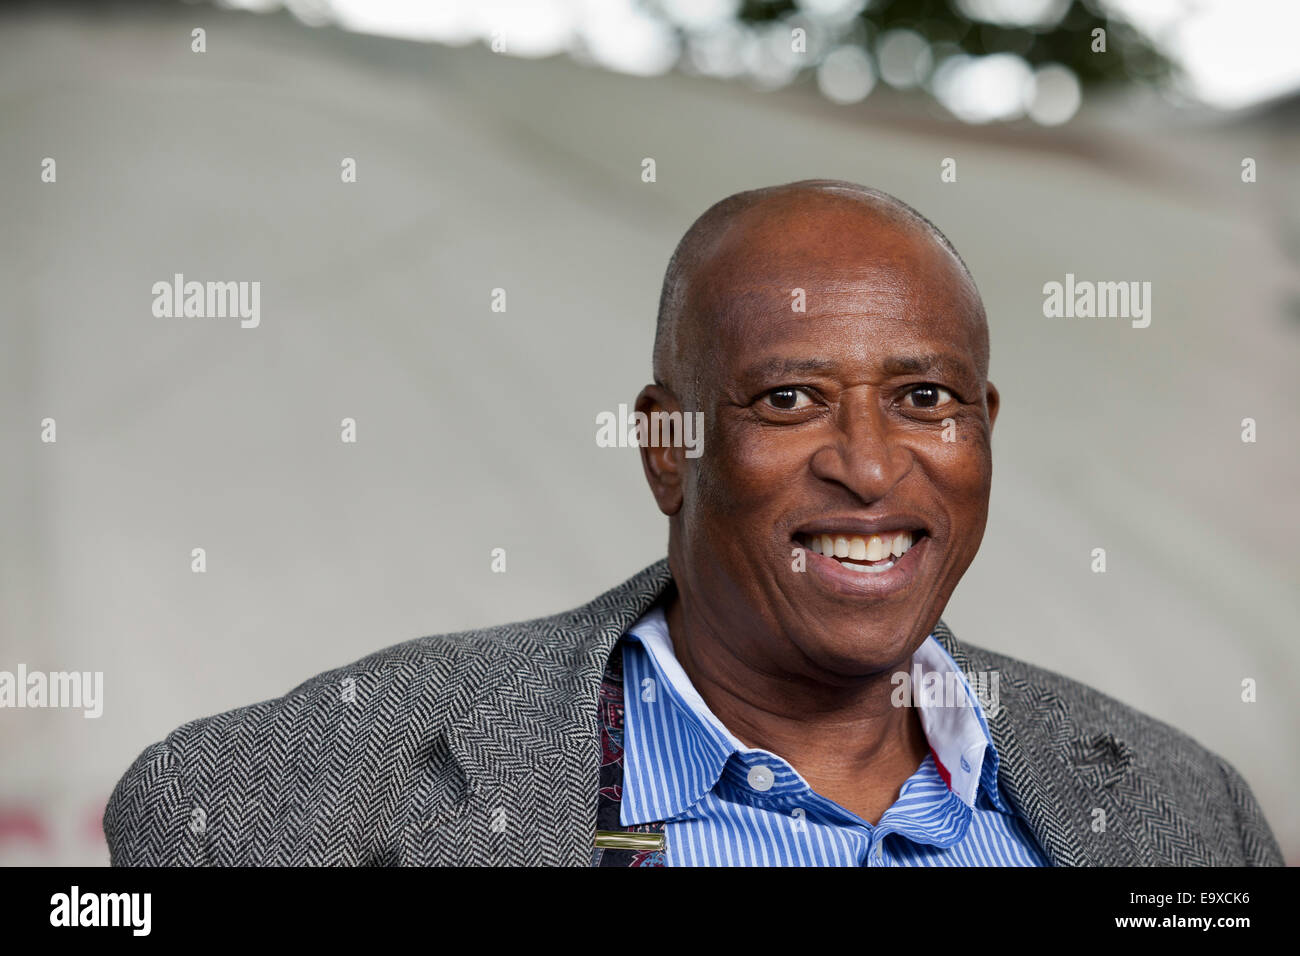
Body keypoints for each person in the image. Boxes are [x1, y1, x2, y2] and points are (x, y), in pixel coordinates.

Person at [104, 180, 1284, 866]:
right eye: (788, 398)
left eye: (926, 399)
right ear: (669, 447)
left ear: (983, 427)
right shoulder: (289, 797)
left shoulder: (1186, 812)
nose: (870, 467)